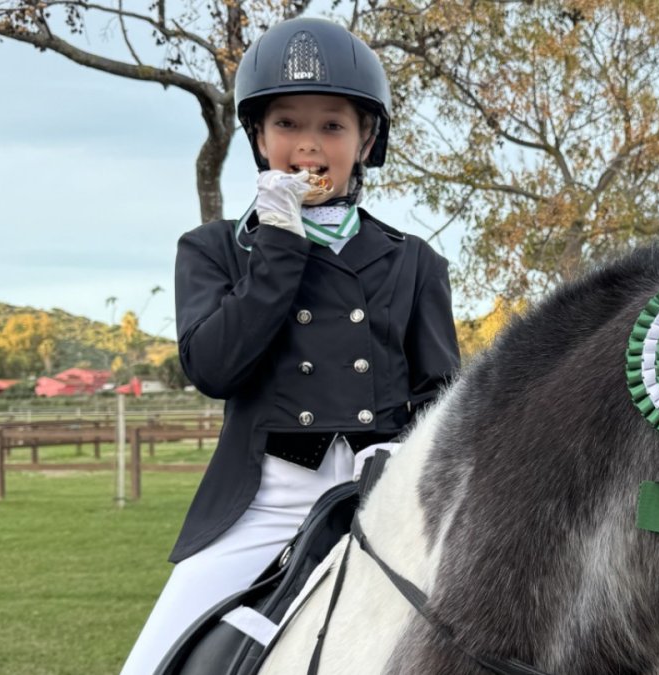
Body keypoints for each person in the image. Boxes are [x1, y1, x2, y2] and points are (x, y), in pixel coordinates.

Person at [120, 18, 460, 674]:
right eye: (287, 125)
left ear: (366, 139)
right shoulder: (214, 249)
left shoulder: (414, 261)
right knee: (148, 663)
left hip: (384, 488)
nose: (308, 145)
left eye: (332, 125)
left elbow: (441, 398)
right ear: (257, 136)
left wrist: (405, 459)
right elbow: (215, 367)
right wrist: (279, 243)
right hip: (266, 496)